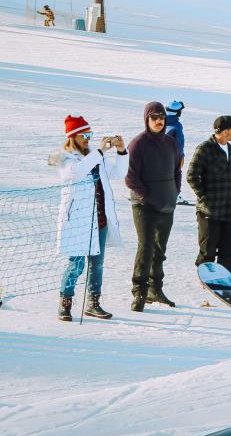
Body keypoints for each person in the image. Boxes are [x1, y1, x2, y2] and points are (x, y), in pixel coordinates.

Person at [53, 115, 123, 322]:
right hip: (78, 221)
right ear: (73, 136)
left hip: (99, 218)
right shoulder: (64, 157)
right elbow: (76, 173)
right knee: (76, 264)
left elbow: (119, 173)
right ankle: (65, 303)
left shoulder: (94, 154)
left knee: (97, 264)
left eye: (90, 134)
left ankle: (93, 303)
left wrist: (121, 151)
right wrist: (100, 152)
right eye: (84, 135)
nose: (88, 139)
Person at [125, 101, 182, 312]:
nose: (159, 121)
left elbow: (177, 170)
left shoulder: (170, 143)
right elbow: (130, 178)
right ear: (147, 119)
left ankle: (155, 289)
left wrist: (174, 192)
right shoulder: (137, 144)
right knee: (146, 247)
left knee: (160, 250)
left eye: (162, 118)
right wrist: (147, 196)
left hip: (167, 203)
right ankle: (139, 292)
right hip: (144, 206)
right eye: (154, 118)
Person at [188, 115, 231, 274]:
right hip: (210, 211)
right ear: (225, 131)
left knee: (228, 250)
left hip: (229, 210)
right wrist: (205, 197)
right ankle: (206, 278)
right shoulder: (204, 148)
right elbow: (192, 176)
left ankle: (227, 279)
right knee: (208, 249)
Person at [164, 100, 194, 207]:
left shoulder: (159, 123)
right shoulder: (176, 126)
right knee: (176, 175)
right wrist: (181, 157)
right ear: (178, 113)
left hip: (156, 156)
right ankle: (175, 196)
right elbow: (179, 143)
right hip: (172, 157)